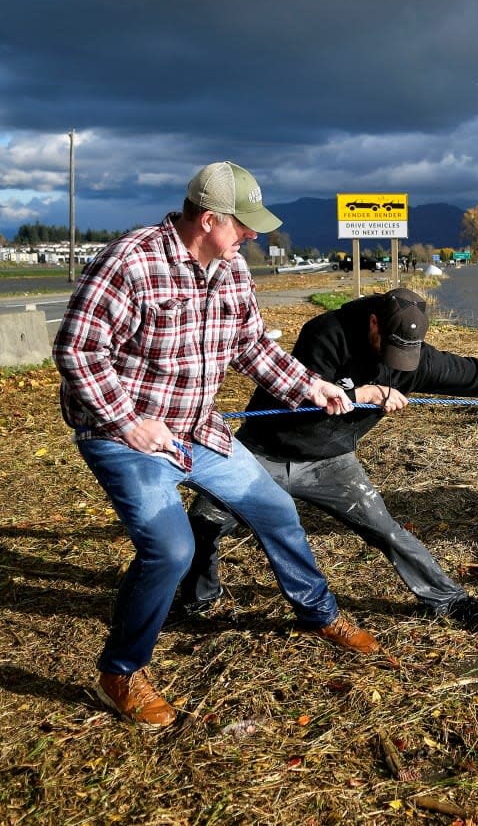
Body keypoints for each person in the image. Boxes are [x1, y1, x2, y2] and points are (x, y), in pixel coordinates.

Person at [53, 161, 380, 730]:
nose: (252, 235)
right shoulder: (131, 261)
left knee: (276, 508)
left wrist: (313, 387)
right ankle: (121, 670)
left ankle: (317, 612)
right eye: (243, 226)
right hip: (123, 434)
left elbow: (252, 346)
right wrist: (129, 422)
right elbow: (78, 350)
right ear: (208, 220)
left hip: (197, 427)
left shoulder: (231, 271)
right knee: (172, 550)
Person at [175, 287, 478, 634]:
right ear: (374, 323)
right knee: (205, 522)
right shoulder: (326, 332)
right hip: (262, 451)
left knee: (385, 529)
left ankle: (446, 599)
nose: (397, 360)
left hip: (329, 460)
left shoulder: (417, 360)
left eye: (406, 353)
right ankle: (198, 596)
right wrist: (364, 395)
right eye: (389, 346)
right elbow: (298, 394)